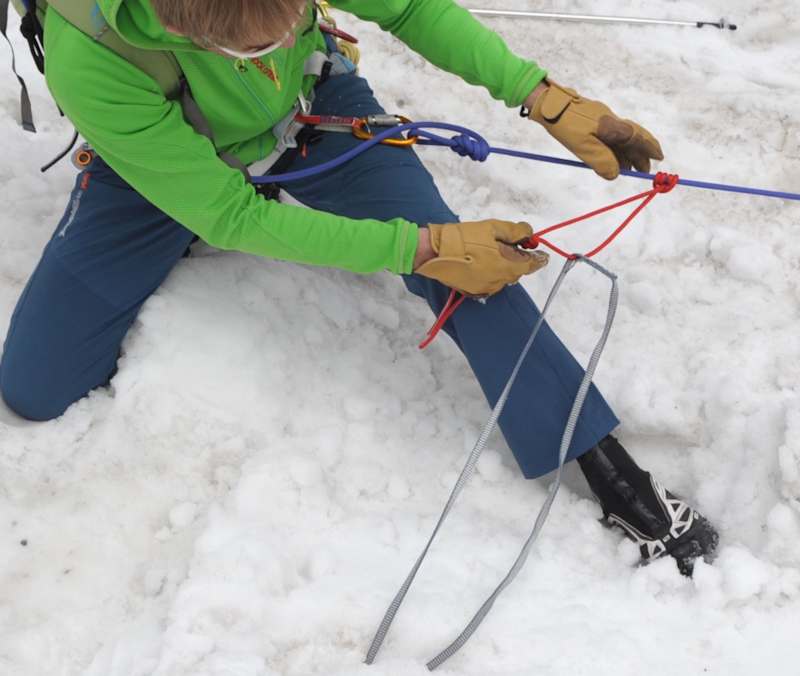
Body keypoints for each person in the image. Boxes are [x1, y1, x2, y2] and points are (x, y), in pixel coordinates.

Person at [0, 0, 717, 574]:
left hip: (316, 114)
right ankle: (171, 195)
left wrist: (543, 97)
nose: (269, 46)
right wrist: (419, 246)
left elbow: (409, 9)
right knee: (36, 385)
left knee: (471, 269)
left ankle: (603, 463)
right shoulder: (90, 52)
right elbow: (226, 213)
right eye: (252, 51)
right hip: (176, 161)